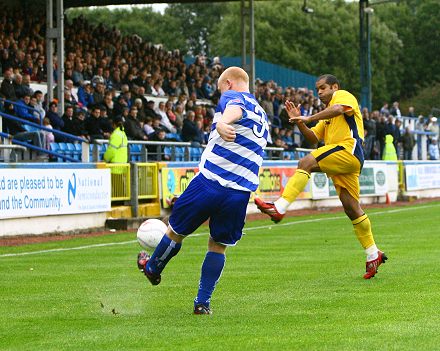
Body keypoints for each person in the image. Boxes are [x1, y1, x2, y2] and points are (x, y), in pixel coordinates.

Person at [137, 66, 270, 315]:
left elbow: (233, 110)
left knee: (175, 232)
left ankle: (153, 268)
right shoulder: (262, 114)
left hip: (210, 180)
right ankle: (202, 303)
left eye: (221, 90)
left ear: (229, 83)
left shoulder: (234, 96)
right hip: (239, 193)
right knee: (217, 245)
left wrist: (222, 123)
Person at [254, 74, 387, 279]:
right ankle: (373, 253)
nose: (319, 92)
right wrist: (299, 121)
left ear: (335, 87)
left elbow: (339, 109)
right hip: (347, 160)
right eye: (317, 90)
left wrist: (309, 117)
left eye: (323, 88)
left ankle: (279, 207)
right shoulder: (327, 116)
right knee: (351, 207)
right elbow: (313, 138)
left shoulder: (343, 97)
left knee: (305, 163)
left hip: (347, 150)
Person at [104, 116, 128, 196]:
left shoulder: (116, 134)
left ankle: (118, 202)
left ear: (114, 124)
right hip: (122, 164)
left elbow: (112, 150)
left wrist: (105, 159)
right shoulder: (123, 134)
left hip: (114, 165)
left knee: (116, 187)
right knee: (120, 186)